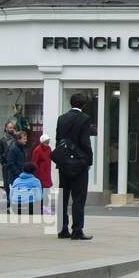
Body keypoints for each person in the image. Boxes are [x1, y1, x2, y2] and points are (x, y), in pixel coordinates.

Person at [54, 93, 95, 240]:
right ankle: (77, 229)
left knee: (63, 197)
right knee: (78, 197)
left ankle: (62, 229)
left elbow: (58, 140)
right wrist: (89, 160)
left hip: (64, 162)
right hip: (79, 163)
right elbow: (85, 142)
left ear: (71, 103)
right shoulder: (84, 119)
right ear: (83, 104)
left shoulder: (62, 118)